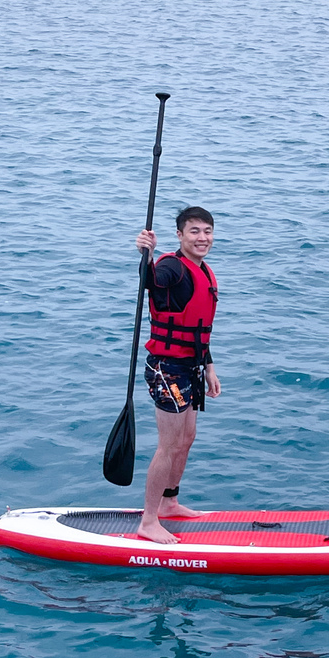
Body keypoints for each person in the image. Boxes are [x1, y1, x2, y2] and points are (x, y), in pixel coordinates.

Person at [134, 206, 221, 543]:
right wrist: (146, 254)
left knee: (186, 439)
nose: (202, 238)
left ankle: (170, 503)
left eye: (207, 231)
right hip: (166, 368)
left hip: (190, 367)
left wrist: (209, 366)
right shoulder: (171, 267)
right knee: (168, 445)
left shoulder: (204, 270)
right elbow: (151, 284)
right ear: (180, 235)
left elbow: (199, 329)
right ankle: (149, 520)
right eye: (195, 231)